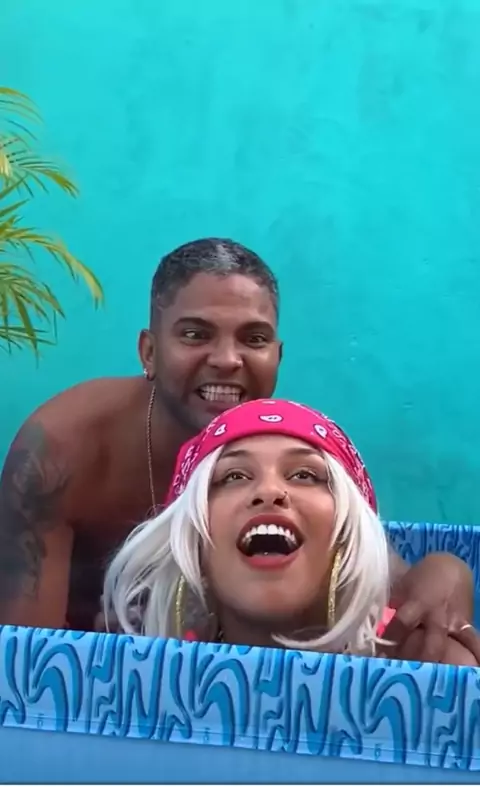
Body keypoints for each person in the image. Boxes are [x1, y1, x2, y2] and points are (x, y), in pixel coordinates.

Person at [0, 238, 477, 662]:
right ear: (149, 352)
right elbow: (25, 664)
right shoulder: (63, 448)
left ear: (277, 356)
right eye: (195, 334)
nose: (228, 360)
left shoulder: (286, 447)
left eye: (254, 338)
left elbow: (373, 571)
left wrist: (448, 571)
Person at [103, 399, 475, 665]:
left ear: (349, 537)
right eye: (233, 476)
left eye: (305, 475)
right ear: (193, 542)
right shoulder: (137, 669)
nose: (269, 490)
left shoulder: (424, 664)